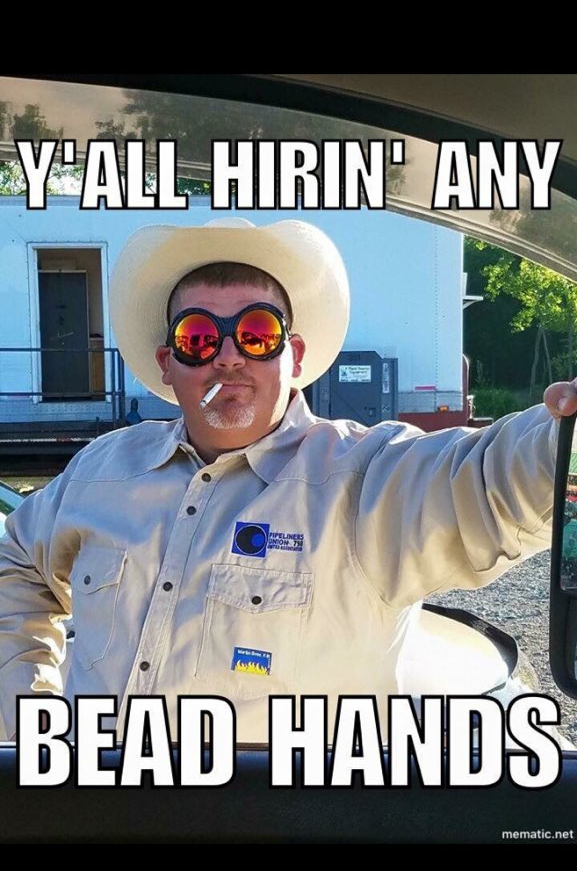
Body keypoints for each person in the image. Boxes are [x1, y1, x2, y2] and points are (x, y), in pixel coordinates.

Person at [0, 217, 576, 744]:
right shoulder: (103, 469)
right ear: (167, 363)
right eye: (199, 338)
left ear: (293, 356)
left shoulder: (370, 477)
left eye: (256, 333)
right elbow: (17, 562)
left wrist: (561, 436)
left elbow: (492, 479)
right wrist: (28, 721)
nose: (228, 357)